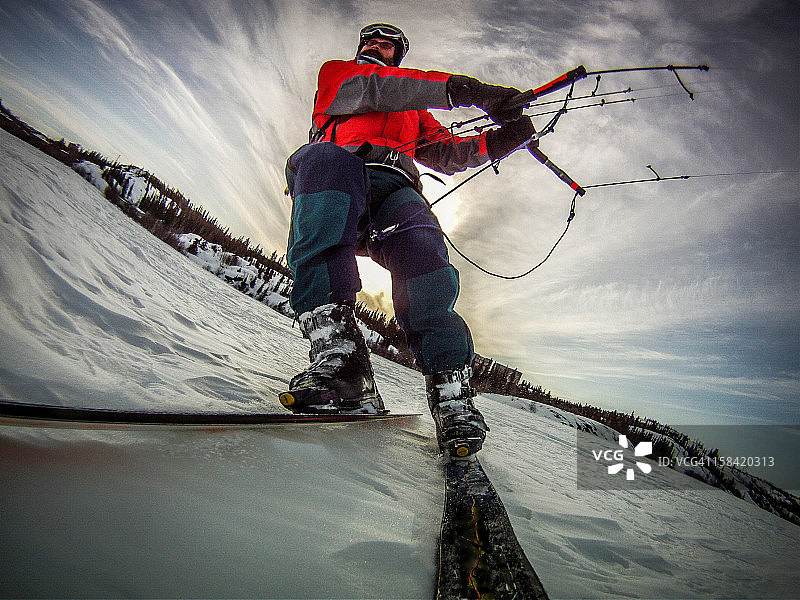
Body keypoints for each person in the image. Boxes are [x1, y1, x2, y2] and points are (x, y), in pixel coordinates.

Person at [280, 23, 534, 458]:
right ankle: (340, 360)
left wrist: (499, 141)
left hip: (394, 188)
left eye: (388, 46)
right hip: (337, 179)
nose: (377, 48)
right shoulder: (340, 76)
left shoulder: (413, 113)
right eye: (371, 42)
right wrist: (468, 90)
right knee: (320, 158)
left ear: (398, 54)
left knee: (425, 261)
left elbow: (446, 151)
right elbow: (383, 89)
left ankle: (450, 391)